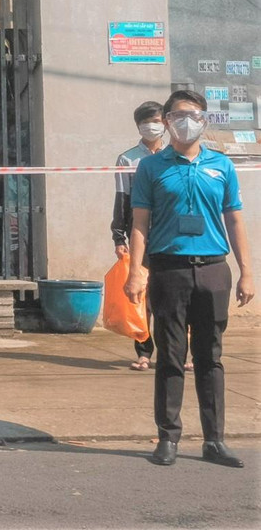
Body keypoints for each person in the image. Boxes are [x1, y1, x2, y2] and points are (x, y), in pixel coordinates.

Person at [125, 89, 253, 469]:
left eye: (194, 114)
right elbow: (140, 222)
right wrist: (136, 269)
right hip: (169, 269)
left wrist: (247, 271)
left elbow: (234, 219)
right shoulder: (151, 167)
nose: (187, 121)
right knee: (170, 356)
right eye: (179, 115)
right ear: (166, 121)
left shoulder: (221, 165)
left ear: (204, 119)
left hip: (214, 269)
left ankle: (214, 439)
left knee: (210, 357)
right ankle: (168, 437)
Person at [111, 101, 165, 372]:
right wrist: (119, 238)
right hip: (140, 235)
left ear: (166, 122)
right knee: (140, 296)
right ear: (138, 126)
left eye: (155, 120)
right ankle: (144, 351)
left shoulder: (174, 155)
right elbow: (122, 199)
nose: (151, 126)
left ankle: (179, 351)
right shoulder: (128, 159)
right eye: (145, 122)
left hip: (170, 235)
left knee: (171, 296)